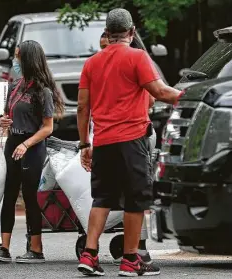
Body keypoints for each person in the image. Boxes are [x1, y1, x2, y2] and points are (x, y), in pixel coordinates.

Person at [77, 9, 183, 277]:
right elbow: (159, 92)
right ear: (132, 32)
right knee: (136, 200)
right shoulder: (137, 56)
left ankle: (89, 256)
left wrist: (84, 144)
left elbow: (81, 107)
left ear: (107, 33)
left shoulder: (91, 63)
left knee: (102, 198)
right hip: (131, 140)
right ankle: (130, 259)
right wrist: (192, 97)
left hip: (102, 141)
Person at [0, 40, 65, 264]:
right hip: (13, 142)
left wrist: (26, 144)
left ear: (28, 59)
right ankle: (3, 247)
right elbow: (7, 114)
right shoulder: (14, 86)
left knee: (30, 195)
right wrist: (1, 120)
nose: (15, 61)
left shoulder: (43, 91)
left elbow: (48, 127)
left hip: (31, 146)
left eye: (17, 56)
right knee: (9, 194)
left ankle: (36, 248)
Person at [99, 32, 156, 265]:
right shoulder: (133, 61)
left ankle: (139, 249)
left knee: (135, 194)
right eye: (102, 47)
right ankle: (132, 248)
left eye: (106, 46)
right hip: (121, 136)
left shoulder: (138, 61)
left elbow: (152, 99)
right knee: (124, 194)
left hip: (136, 135)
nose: (106, 52)